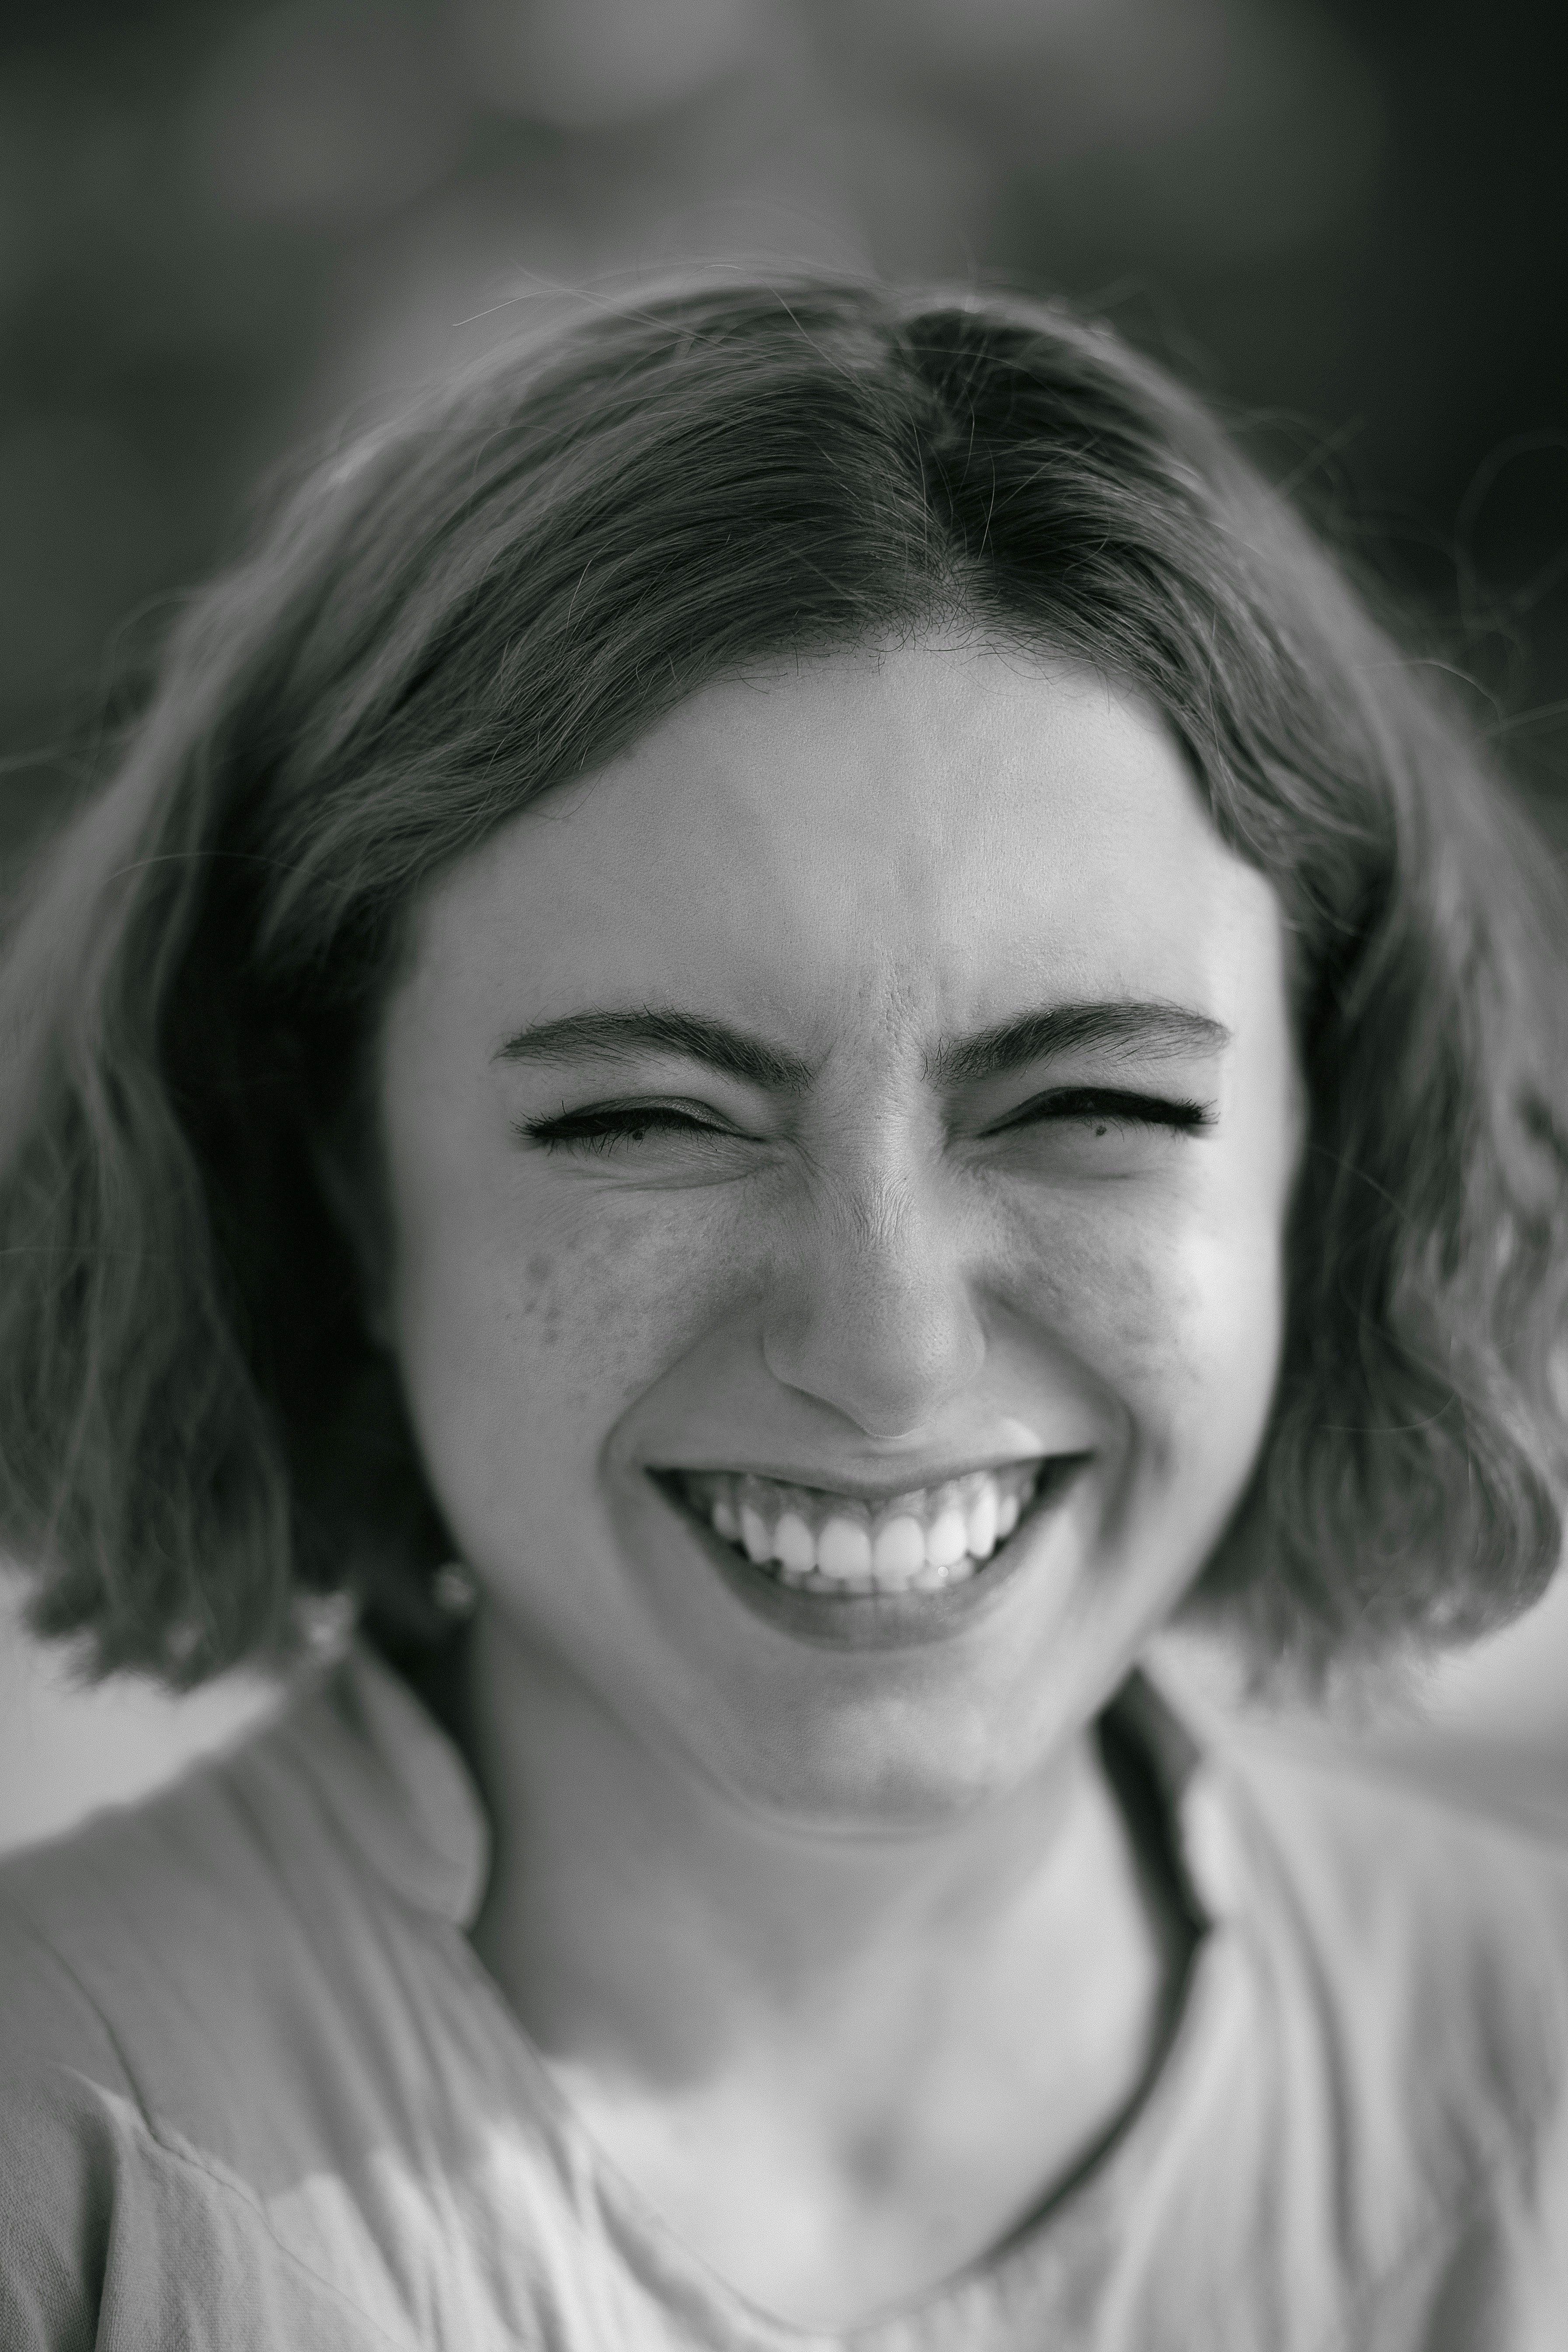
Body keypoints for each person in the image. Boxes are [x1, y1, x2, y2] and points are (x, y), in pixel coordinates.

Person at [1, 276, 1566, 2352]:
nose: (890, 1349)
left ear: (1324, 1141)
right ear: (338, 1186)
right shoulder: (61, 2161)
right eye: (649, 1114)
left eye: (1092, 1102)